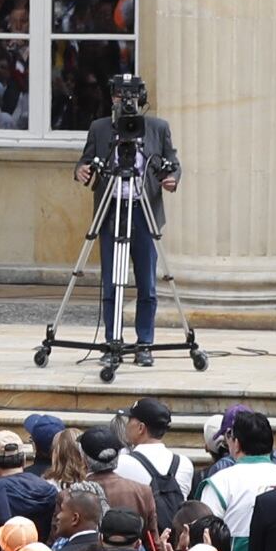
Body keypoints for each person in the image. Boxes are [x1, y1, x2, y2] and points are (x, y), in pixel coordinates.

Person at [73, 74, 180, 358]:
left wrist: (171, 178)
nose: (126, 102)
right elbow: (86, 161)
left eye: (132, 96)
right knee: (112, 282)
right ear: (112, 98)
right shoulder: (99, 128)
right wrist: (80, 171)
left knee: (147, 283)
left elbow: (173, 163)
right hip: (111, 214)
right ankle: (112, 342)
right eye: (121, 96)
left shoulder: (158, 127)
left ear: (141, 99)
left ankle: (144, 343)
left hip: (144, 213)